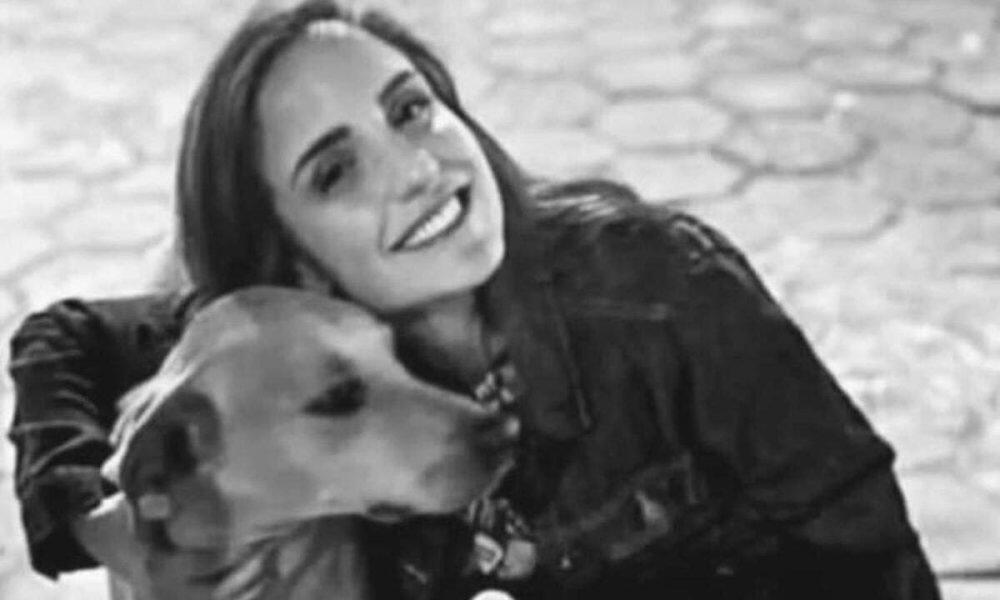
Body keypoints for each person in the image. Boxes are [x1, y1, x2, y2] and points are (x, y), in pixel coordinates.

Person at [7, 1, 940, 598]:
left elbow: (870, 559)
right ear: (292, 264)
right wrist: (93, 519)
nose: (417, 168)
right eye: (335, 171)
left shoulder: (660, 286)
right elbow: (66, 337)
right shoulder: (286, 345)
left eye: (410, 108)